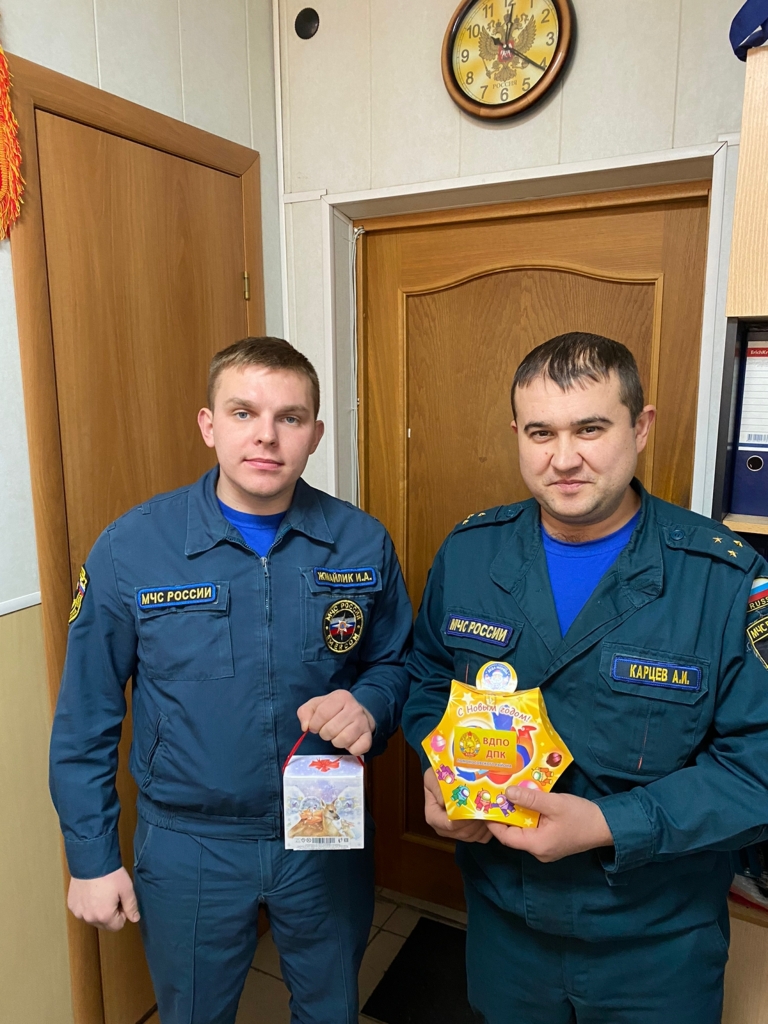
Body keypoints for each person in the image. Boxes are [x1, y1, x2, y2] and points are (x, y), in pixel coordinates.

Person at [402, 332, 768, 1024]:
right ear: (517, 433)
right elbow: (427, 680)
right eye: (540, 432)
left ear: (641, 427)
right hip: (505, 926)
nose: (564, 458)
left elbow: (758, 765)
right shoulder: (471, 553)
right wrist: (439, 766)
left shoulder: (724, 578)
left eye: (590, 429)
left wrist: (609, 823)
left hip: (655, 942)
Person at [50, 336, 412, 1024]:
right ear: (209, 425)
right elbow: (85, 718)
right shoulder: (132, 547)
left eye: (290, 417)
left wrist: (369, 704)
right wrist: (90, 857)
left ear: (315, 434)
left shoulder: (361, 541)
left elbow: (396, 663)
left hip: (324, 822)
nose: (266, 436)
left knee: (331, 1007)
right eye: (243, 413)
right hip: (190, 840)